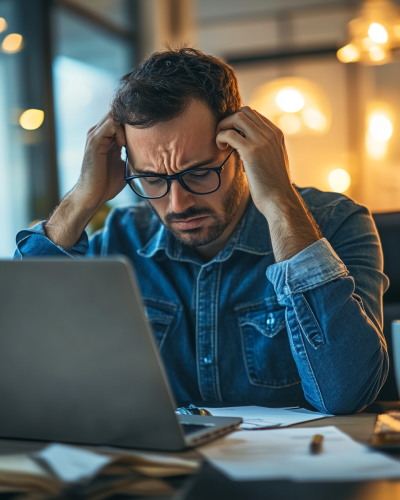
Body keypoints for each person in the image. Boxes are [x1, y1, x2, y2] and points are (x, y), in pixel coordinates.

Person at [15, 47, 389, 414]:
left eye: (198, 173)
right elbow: (20, 352)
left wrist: (278, 200)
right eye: (152, 180)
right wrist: (82, 198)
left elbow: (348, 395)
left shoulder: (338, 223)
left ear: (242, 150)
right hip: (161, 471)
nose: (178, 204)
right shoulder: (121, 238)